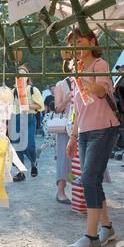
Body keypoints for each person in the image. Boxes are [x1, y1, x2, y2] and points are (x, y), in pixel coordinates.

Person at [66, 28, 119, 247]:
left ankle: (92, 237)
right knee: (93, 180)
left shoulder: (100, 65)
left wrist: (84, 81)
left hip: (104, 128)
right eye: (72, 45)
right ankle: (107, 228)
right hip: (86, 131)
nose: (76, 48)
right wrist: (73, 136)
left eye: (79, 41)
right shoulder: (76, 71)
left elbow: (100, 91)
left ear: (91, 41)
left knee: (88, 178)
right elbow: (78, 110)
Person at [11, 68, 45, 181]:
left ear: (27, 77)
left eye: (23, 75)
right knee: (17, 146)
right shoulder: (13, 91)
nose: (20, 77)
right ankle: (21, 172)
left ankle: (33, 162)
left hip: (29, 118)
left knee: (30, 145)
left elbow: (40, 106)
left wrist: (28, 105)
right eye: (18, 76)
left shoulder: (32, 89)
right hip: (16, 119)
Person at [54, 76, 72, 204]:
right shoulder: (61, 84)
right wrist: (67, 100)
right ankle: (60, 191)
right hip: (66, 126)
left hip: (84, 124)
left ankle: (81, 191)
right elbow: (57, 108)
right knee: (64, 158)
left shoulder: (86, 80)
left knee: (81, 161)